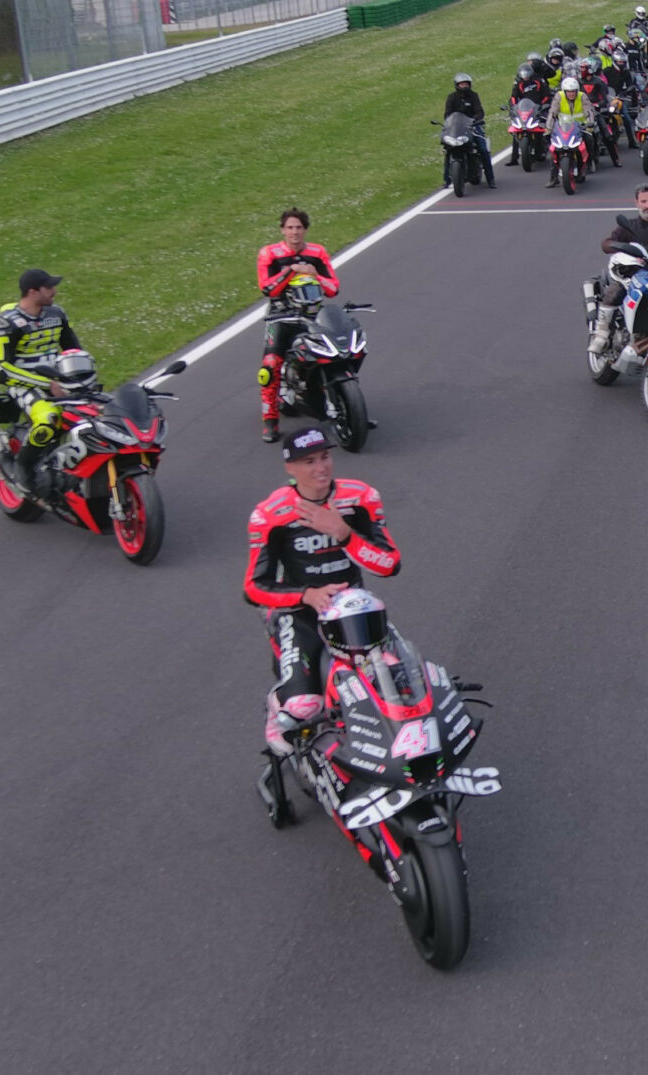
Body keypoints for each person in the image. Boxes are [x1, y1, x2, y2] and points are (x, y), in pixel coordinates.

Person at [245, 426, 401, 757]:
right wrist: (306, 596)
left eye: (325, 457)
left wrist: (343, 533)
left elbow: (389, 563)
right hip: (300, 614)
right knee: (303, 707)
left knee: (398, 681)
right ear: (290, 468)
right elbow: (254, 588)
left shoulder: (361, 498)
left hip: (356, 611)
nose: (321, 468)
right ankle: (276, 708)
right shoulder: (269, 514)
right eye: (308, 462)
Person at [0, 268, 84, 498]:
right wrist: (46, 383)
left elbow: (73, 348)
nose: (55, 291)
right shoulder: (5, 324)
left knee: (95, 414)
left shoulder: (56, 313)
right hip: (23, 384)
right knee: (49, 420)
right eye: (49, 287)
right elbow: (3, 369)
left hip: (59, 380)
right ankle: (23, 468)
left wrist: (82, 376)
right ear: (32, 292)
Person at [255, 208, 339, 443]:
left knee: (336, 355)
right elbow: (267, 289)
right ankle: (269, 420)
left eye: (299, 227)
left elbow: (333, 289)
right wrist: (291, 271)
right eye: (290, 227)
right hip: (280, 316)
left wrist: (315, 274)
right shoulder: (268, 254)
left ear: (305, 229)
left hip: (313, 314)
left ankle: (342, 405)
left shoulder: (318, 252)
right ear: (282, 230)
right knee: (269, 367)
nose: (294, 232)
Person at [590, 184, 648, 354]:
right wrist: (622, 247)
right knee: (615, 292)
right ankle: (601, 335)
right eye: (644, 201)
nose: (647, 205)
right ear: (636, 203)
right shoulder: (628, 226)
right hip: (632, 275)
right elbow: (606, 244)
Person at [443, 73, 497, 188]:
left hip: (473, 126)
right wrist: (449, 123)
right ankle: (446, 180)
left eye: (466, 84)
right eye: (462, 84)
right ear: (457, 85)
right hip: (457, 128)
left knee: (482, 149)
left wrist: (475, 120)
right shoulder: (451, 97)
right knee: (448, 150)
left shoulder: (474, 96)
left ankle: (490, 179)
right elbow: (448, 114)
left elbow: (479, 112)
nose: (464, 86)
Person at [548, 76, 604, 187]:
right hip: (562, 128)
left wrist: (590, 123)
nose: (571, 94)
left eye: (573, 91)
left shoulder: (582, 96)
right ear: (564, 91)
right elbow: (552, 113)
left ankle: (589, 162)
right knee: (554, 149)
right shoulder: (559, 97)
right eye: (569, 92)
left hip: (580, 127)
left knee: (589, 139)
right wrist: (548, 128)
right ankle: (553, 178)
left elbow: (589, 111)